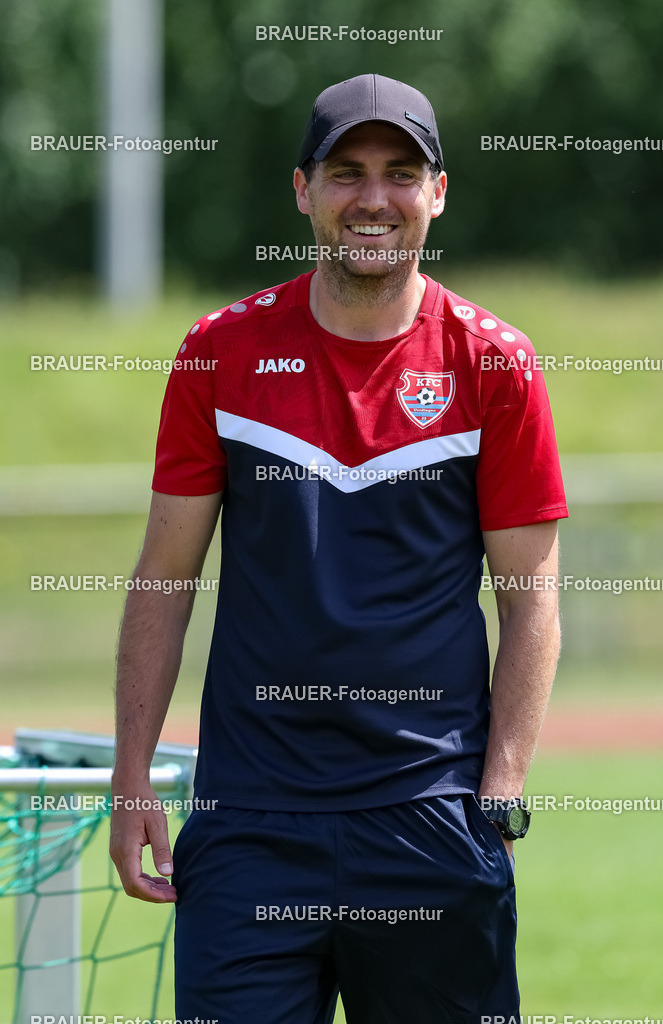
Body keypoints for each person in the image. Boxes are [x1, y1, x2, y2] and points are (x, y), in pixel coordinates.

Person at [110, 73, 568, 1023]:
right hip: (248, 820)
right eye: (346, 171)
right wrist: (131, 779)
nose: (373, 198)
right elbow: (165, 578)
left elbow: (531, 599)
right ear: (302, 190)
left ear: (437, 191)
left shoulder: (493, 362)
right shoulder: (220, 352)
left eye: (401, 172)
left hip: (430, 814)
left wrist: (500, 798)